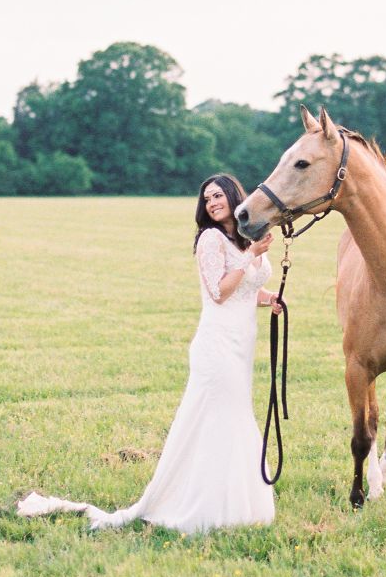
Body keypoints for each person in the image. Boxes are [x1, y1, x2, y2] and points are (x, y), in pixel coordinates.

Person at [16, 174, 283, 532]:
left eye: (218, 195)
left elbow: (246, 288)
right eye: (207, 199)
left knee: (235, 416)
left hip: (240, 346)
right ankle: (203, 505)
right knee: (218, 419)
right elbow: (219, 292)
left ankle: (237, 503)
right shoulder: (210, 239)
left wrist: (270, 299)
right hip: (217, 345)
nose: (212, 203)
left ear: (235, 196)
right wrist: (250, 255)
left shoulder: (242, 238)